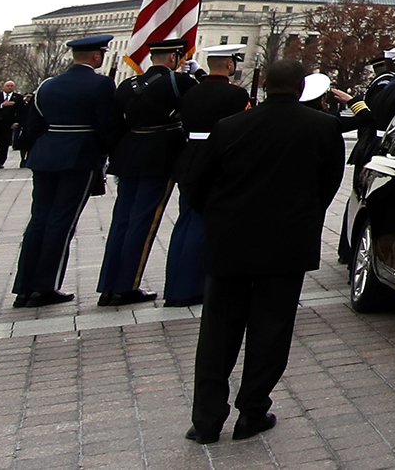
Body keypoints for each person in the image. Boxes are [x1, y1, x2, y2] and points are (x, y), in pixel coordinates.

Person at [180, 57, 348, 443]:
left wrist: (220, 220)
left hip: (230, 243)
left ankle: (206, 420)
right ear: (302, 86)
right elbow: (329, 184)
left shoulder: (230, 126)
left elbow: (197, 184)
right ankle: (252, 410)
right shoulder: (323, 128)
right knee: (271, 330)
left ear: (265, 84)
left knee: (217, 334)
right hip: (287, 243)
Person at [11, 34, 122, 307]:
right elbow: (108, 126)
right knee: (62, 221)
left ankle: (25, 286)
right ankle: (44, 286)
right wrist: (107, 153)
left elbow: (34, 126)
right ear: (96, 57)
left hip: (45, 156)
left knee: (39, 220)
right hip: (79, 158)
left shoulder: (47, 85)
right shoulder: (101, 84)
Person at [97, 38, 193, 307]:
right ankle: (126, 285)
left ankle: (109, 285)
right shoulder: (178, 83)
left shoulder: (127, 85)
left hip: (129, 154)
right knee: (144, 221)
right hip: (159, 155)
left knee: (122, 221)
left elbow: (115, 125)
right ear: (173, 59)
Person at [164, 45, 254, 308]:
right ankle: (194, 287)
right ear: (229, 65)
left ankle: (175, 285)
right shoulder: (236, 95)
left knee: (185, 222)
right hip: (217, 160)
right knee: (206, 225)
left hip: (189, 158)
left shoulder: (192, 91)